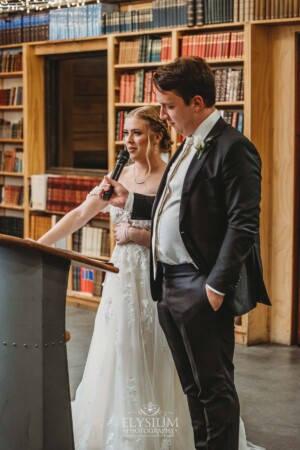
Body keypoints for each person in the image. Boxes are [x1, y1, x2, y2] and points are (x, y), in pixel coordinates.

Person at [103, 57, 271, 450]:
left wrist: (215, 286)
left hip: (201, 285)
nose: (163, 115)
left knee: (214, 388)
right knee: (192, 388)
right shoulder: (186, 145)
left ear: (197, 101)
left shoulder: (234, 148)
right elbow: (177, 205)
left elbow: (243, 223)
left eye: (169, 106)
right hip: (169, 284)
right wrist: (132, 201)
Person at [37, 105, 196, 449]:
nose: (128, 141)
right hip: (121, 277)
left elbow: (179, 232)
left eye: (136, 132)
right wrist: (39, 245)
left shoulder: (170, 177)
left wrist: (136, 234)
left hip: (158, 278)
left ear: (156, 135)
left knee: (157, 349)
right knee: (119, 347)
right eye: (125, 133)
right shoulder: (118, 176)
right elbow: (81, 212)